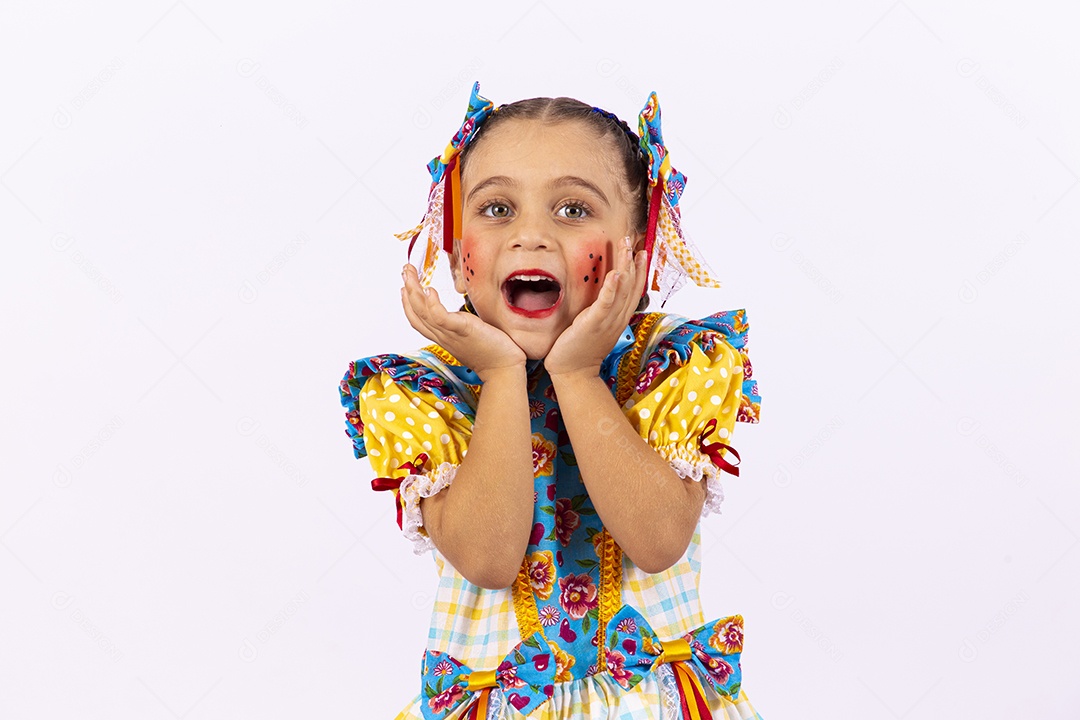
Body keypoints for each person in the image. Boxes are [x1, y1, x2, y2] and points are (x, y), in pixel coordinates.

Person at [339, 82, 765, 720]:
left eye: (572, 209)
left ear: (638, 256)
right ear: (455, 260)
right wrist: (501, 375)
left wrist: (579, 373)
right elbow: (487, 558)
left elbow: (657, 541)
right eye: (497, 209)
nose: (531, 236)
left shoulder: (675, 361)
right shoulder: (422, 390)